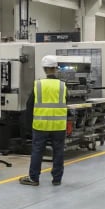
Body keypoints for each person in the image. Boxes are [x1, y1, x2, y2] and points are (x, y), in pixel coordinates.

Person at [19, 55, 68, 187]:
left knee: (37, 151)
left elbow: (30, 106)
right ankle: (57, 179)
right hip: (58, 126)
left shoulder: (38, 84)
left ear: (44, 69)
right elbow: (65, 104)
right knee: (58, 151)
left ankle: (34, 178)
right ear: (55, 68)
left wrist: (28, 126)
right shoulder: (62, 86)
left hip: (40, 125)